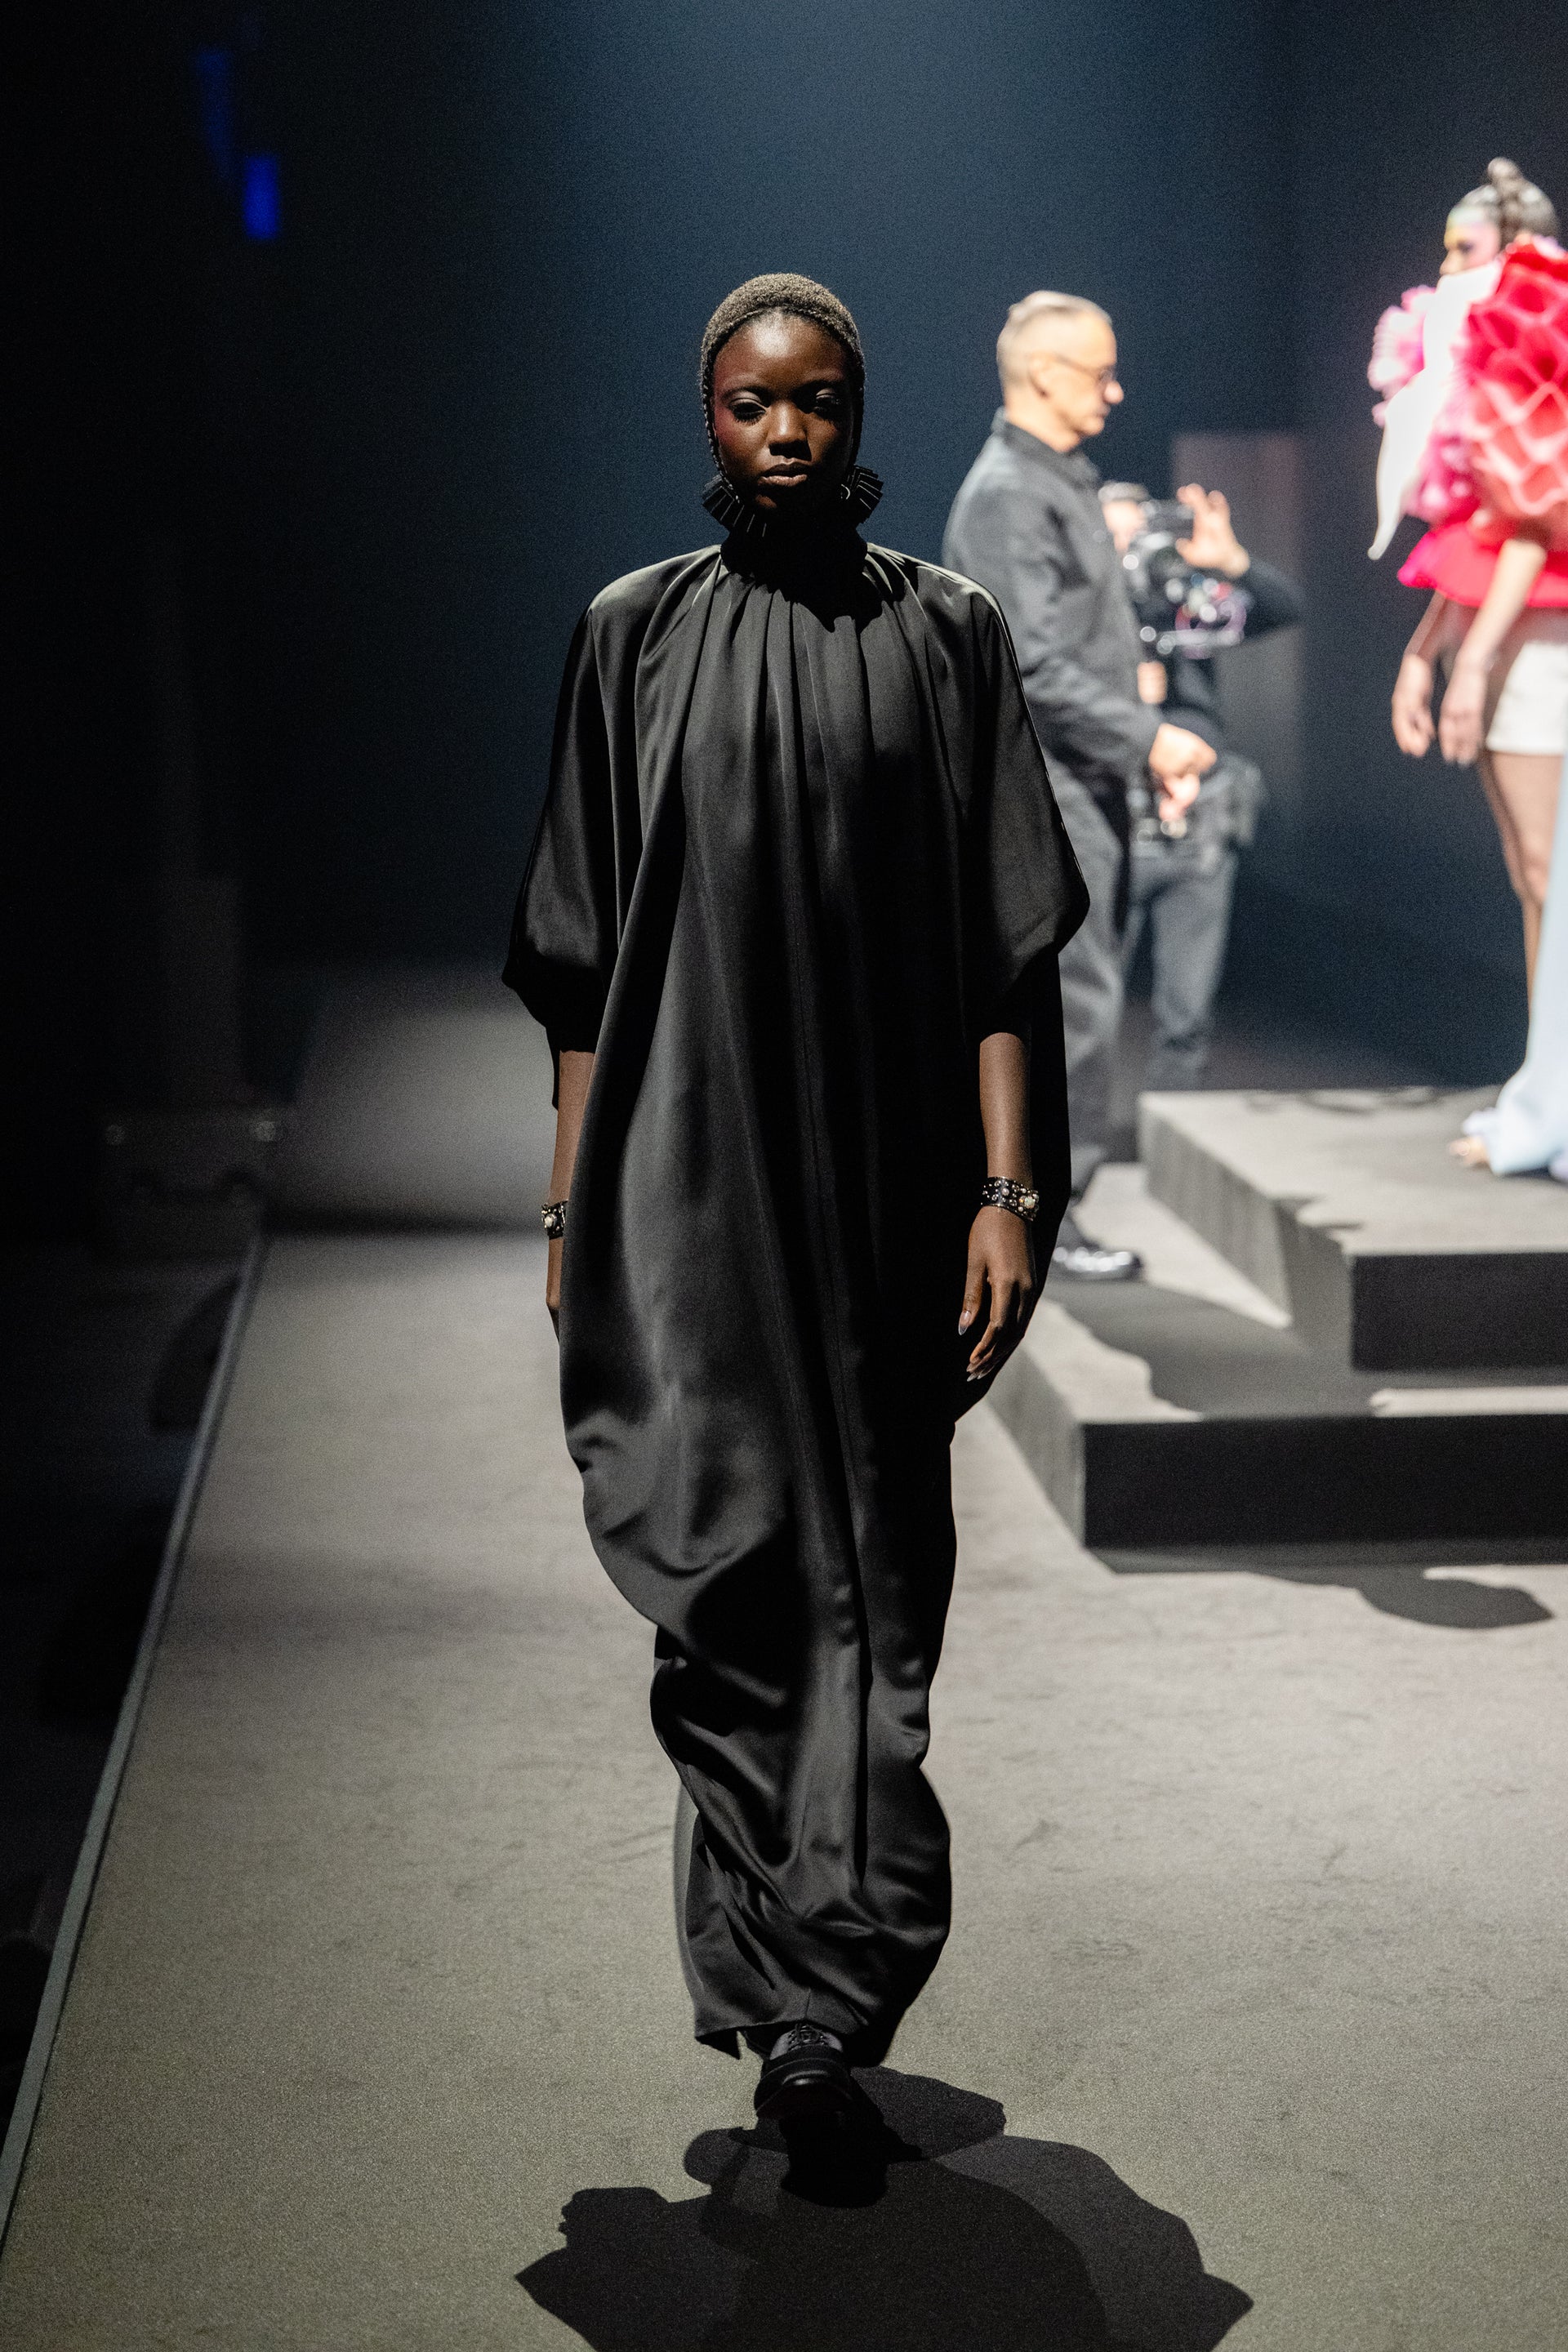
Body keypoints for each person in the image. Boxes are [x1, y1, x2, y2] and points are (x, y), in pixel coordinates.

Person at [505, 275, 1087, 2127]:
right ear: (707, 415)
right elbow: (580, 956)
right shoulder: (633, 635)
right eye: (754, 403)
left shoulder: (950, 635)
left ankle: (822, 1998)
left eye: (818, 401)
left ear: (858, 411)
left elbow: (1007, 947)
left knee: (876, 1578)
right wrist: (570, 1206)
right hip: (687, 1177)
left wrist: (1006, 1190)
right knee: (735, 1566)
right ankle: (794, 2007)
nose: (787, 432)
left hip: (896, 1182)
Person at [942, 292, 1215, 1281]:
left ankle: (1044, 1217)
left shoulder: (1053, 483)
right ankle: (1043, 1224)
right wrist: (1152, 740)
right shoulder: (1011, 494)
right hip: (1048, 794)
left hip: (1084, 784)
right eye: (1100, 372)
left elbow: (1085, 651)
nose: (1116, 390)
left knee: (1080, 1006)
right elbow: (1035, 668)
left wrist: (1141, 750)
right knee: (1072, 1009)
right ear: (1045, 374)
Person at [1371, 158, 1568, 1172]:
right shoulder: (1494, 354)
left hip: (1542, 645)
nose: (1448, 268)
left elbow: (1534, 524)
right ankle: (1546, 1093)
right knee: (1538, 880)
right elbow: (1482, 529)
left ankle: (1551, 1104)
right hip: (1512, 636)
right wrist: (1427, 653)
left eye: (1467, 250)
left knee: (1548, 875)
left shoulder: (1539, 343)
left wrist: (1473, 659)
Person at [1098, 480, 1303, 1090]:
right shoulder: (1076, 613)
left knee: (1186, 1015)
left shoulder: (1184, 603)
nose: (1130, 551)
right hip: (1108, 820)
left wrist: (1228, 562)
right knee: (1084, 1007)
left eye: (1140, 535)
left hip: (1197, 827)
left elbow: (1282, 606)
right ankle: (1076, 1139)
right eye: (1113, 537)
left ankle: (1172, 1130)